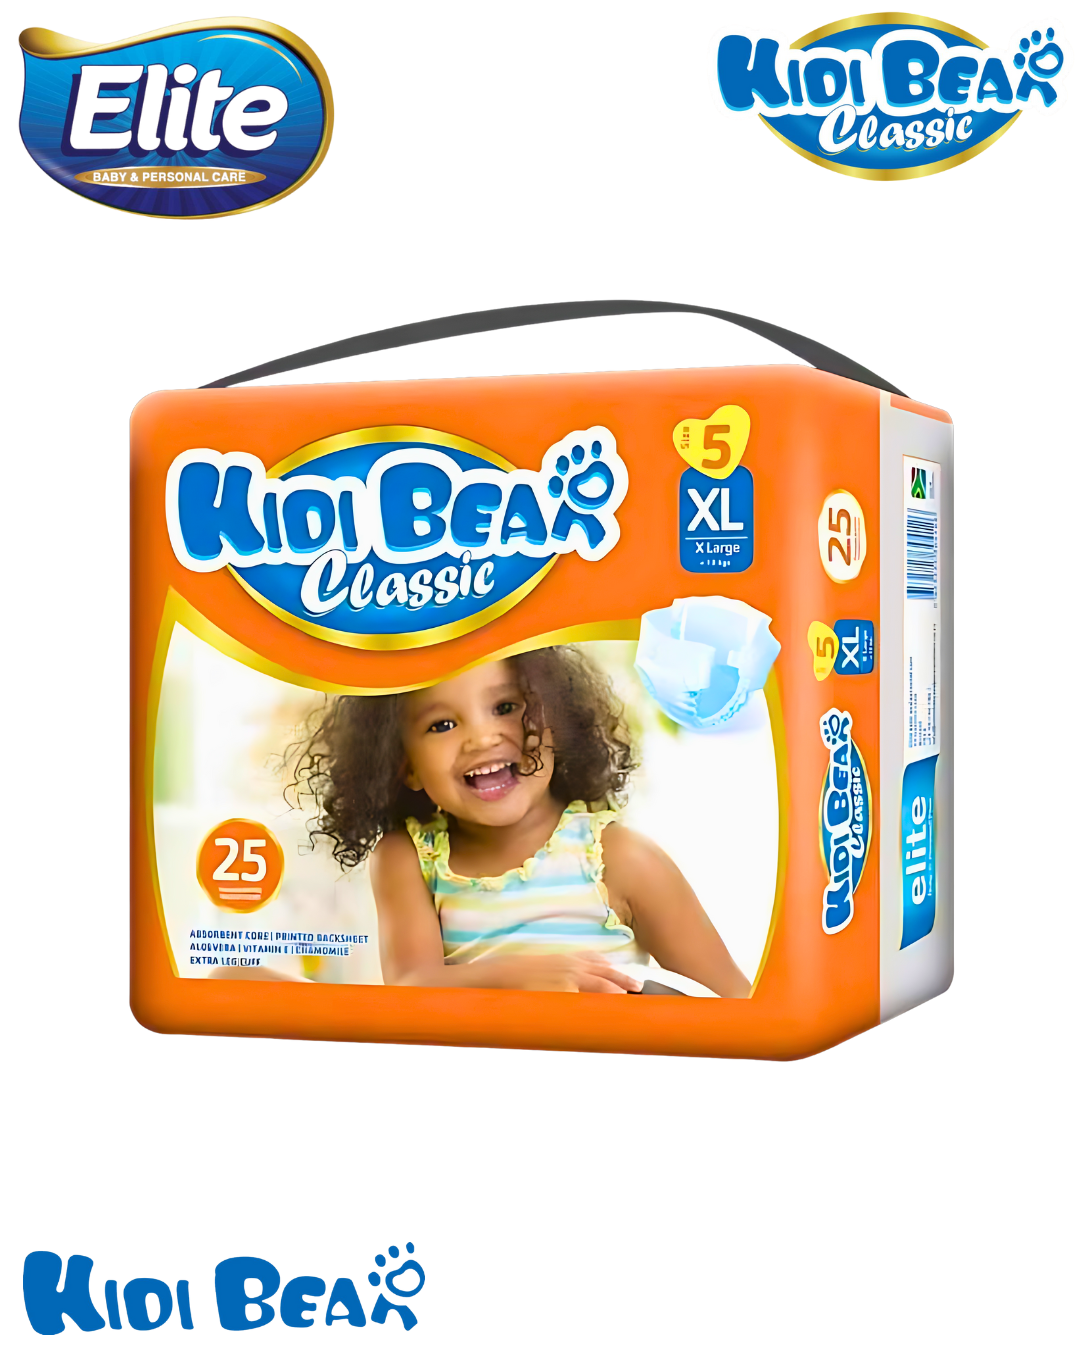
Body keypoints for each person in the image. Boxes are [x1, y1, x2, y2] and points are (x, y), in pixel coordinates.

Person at [301, 646, 751, 997]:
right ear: (406, 766)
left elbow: (732, 1003)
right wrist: (520, 974)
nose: (482, 738)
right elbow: (410, 986)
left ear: (556, 720)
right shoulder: (408, 858)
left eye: (505, 707)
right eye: (442, 725)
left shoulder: (619, 857)